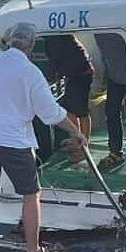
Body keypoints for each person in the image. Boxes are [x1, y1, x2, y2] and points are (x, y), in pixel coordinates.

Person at [0, 23, 87, 252]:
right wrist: (77, 132)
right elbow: (52, 114)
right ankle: (33, 251)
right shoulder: (31, 72)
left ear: (10, 41)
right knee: (31, 195)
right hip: (13, 142)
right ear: (32, 46)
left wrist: (2, 40)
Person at [44, 34, 94, 163]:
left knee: (82, 111)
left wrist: (48, 81)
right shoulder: (54, 38)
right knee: (69, 110)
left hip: (81, 73)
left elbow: (54, 61)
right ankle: (76, 139)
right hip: (73, 74)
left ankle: (83, 147)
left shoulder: (54, 39)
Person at [94, 33, 126, 170]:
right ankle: (115, 152)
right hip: (115, 77)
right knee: (111, 111)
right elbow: (105, 56)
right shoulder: (99, 31)